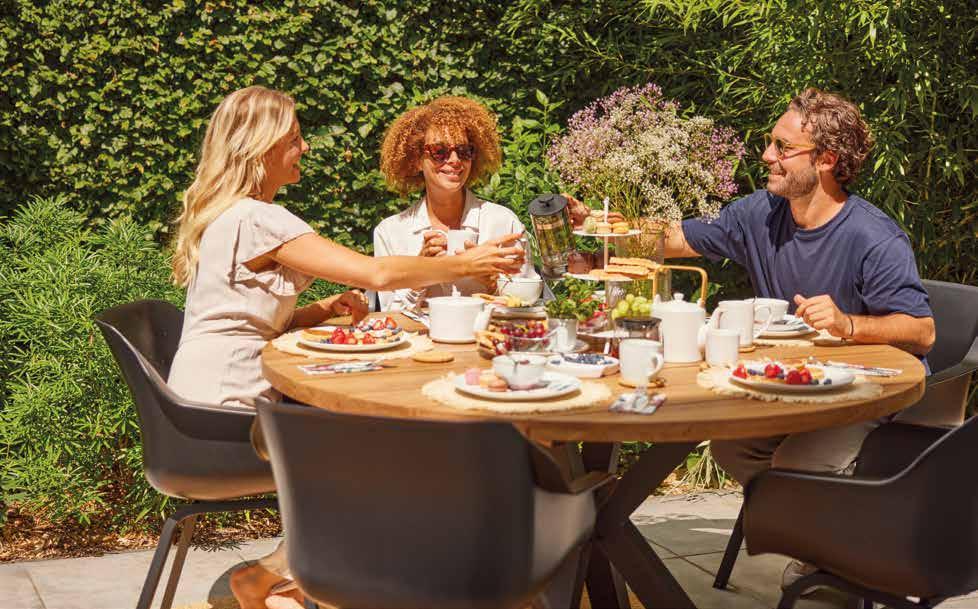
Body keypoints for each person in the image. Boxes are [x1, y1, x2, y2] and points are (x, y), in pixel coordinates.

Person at [167, 86, 524, 609]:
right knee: (389, 444)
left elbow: (241, 317)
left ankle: (307, 576)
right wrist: (465, 264)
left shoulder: (231, 215)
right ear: (260, 147)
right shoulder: (256, 218)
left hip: (196, 412)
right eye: (294, 138)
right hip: (226, 416)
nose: (305, 147)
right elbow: (375, 273)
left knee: (374, 434)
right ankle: (336, 579)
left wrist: (318, 311)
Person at [576, 87, 935, 590]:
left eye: (782, 147)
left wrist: (849, 324)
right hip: (789, 385)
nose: (767, 155)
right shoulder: (762, 213)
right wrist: (603, 231)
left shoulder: (873, 237)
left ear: (826, 160)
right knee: (731, 444)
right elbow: (675, 238)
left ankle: (839, 552)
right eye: (770, 143)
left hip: (865, 398)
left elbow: (922, 331)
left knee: (795, 464)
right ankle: (819, 532)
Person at [373, 96, 536, 311]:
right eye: (439, 152)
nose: (454, 160)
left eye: (464, 151)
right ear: (415, 160)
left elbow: (527, 304)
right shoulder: (391, 232)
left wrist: (492, 283)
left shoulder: (503, 222)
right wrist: (421, 273)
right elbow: (389, 316)